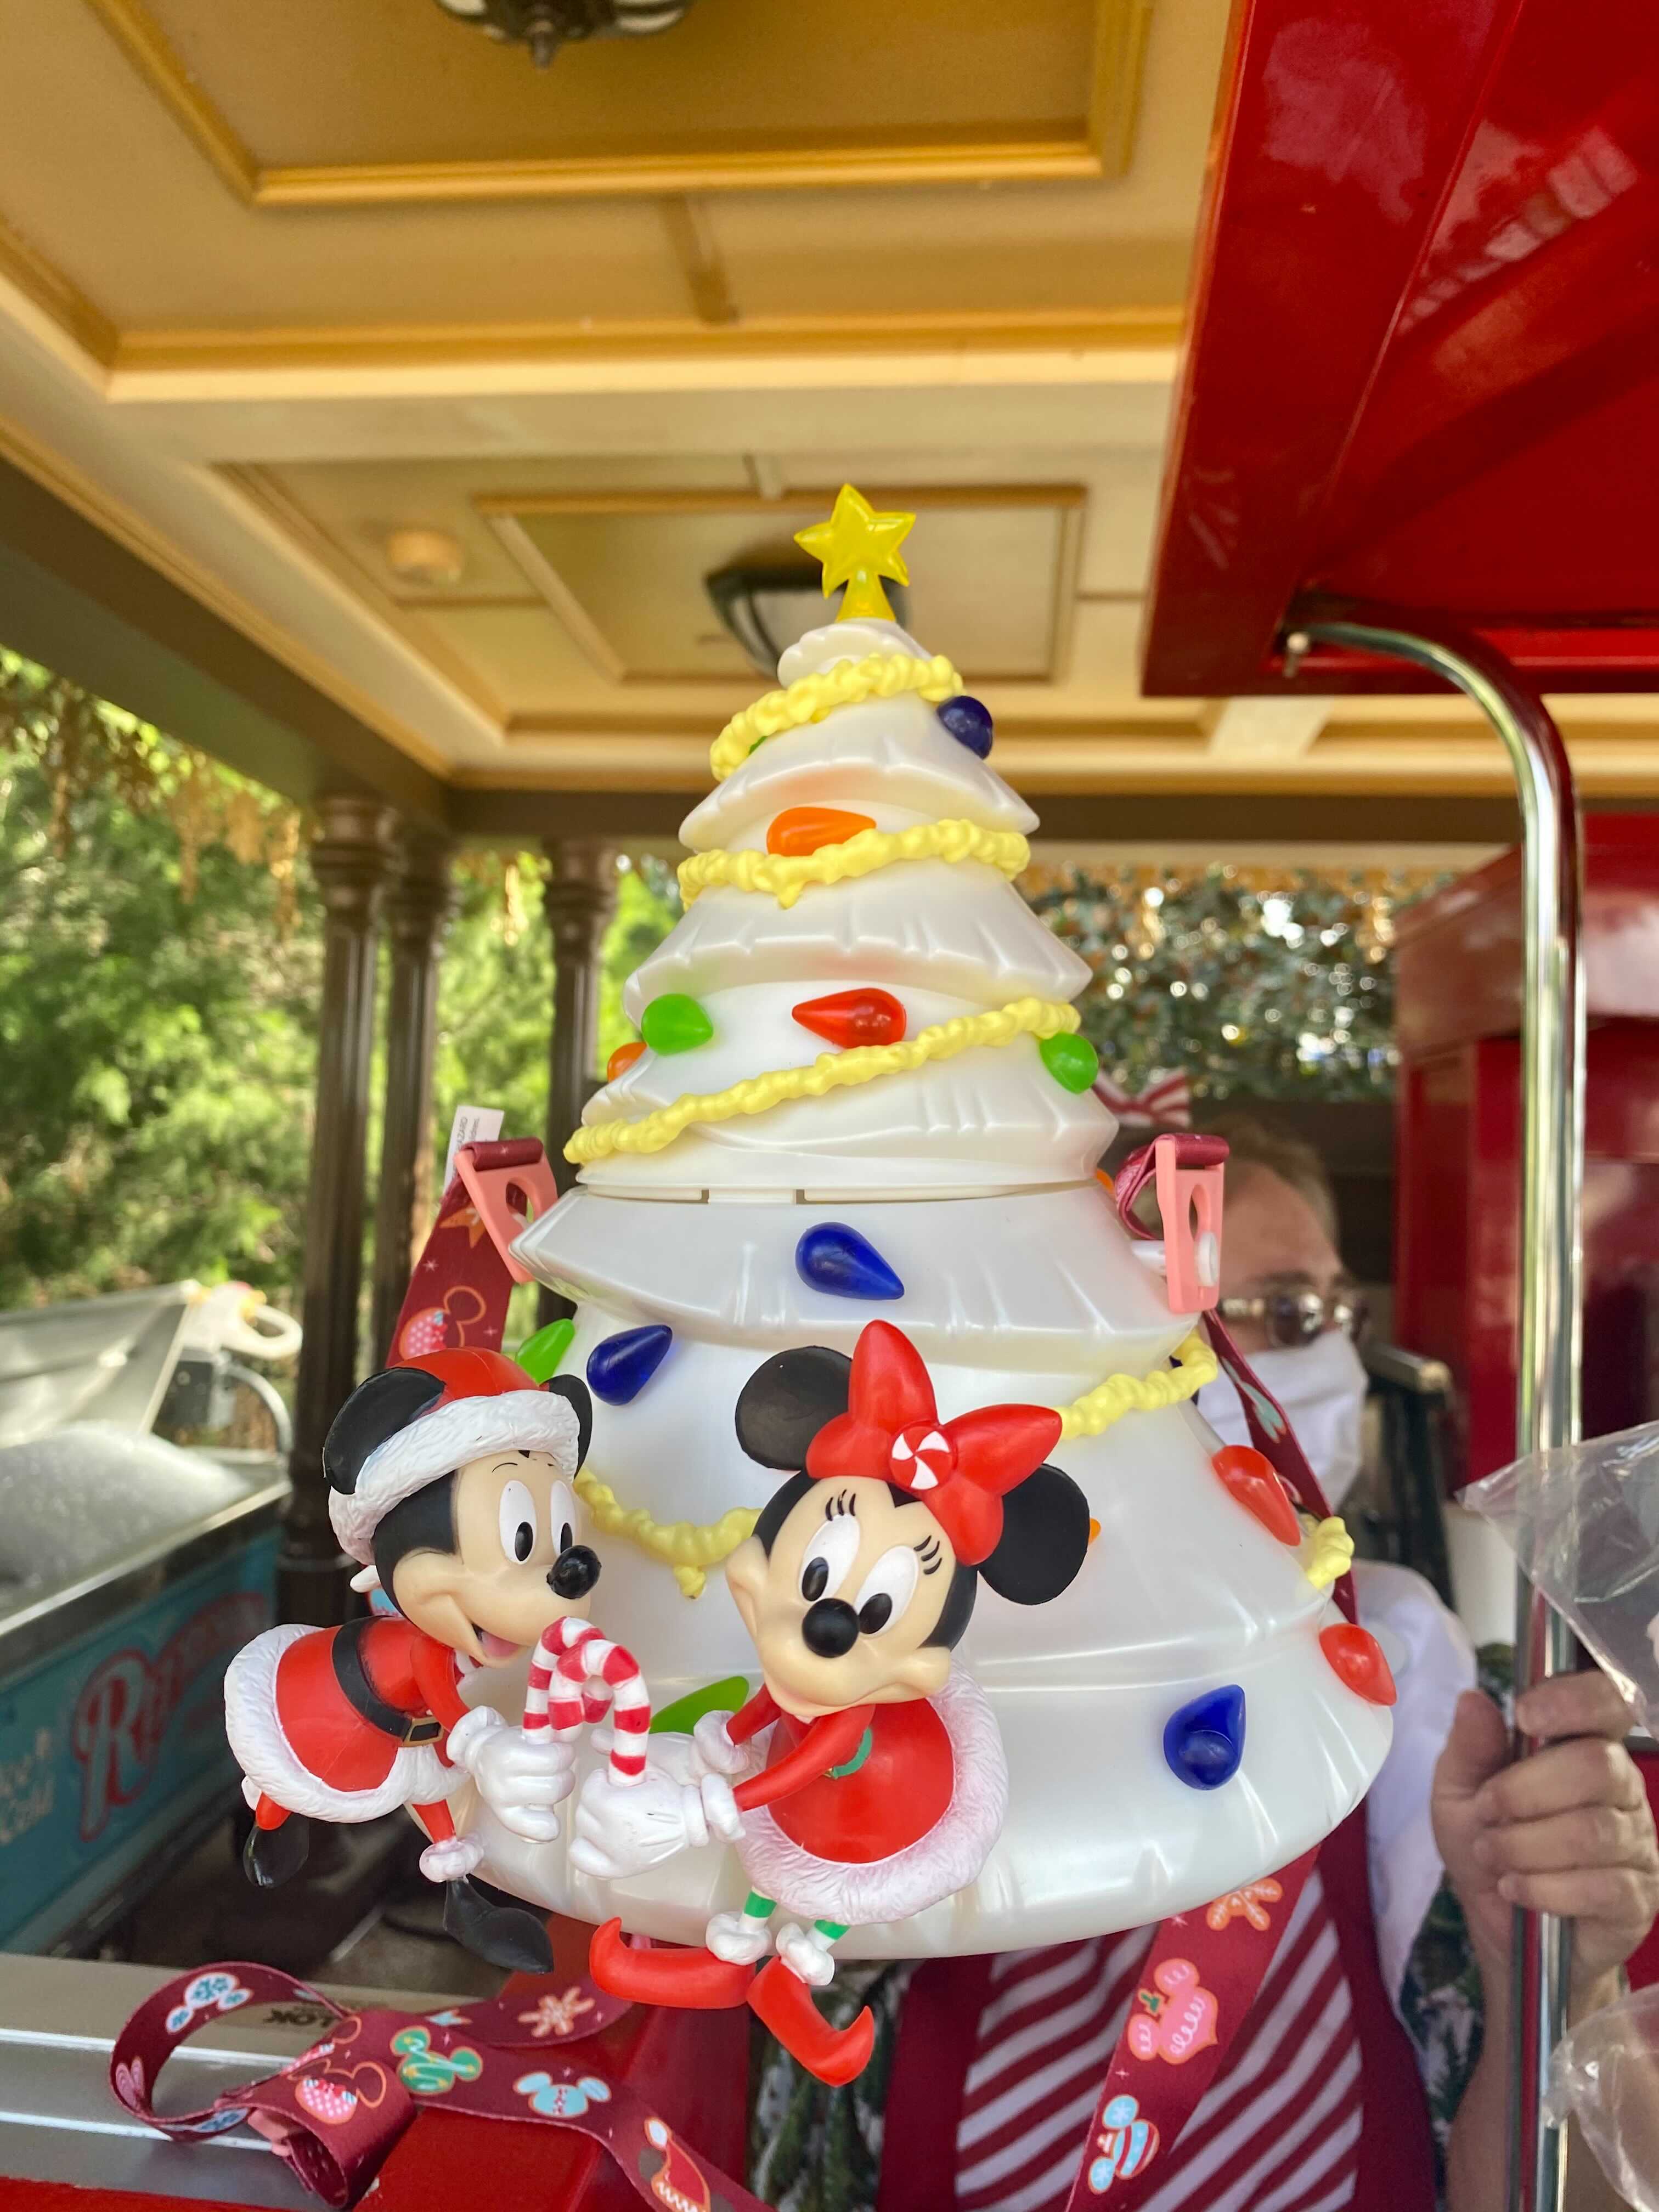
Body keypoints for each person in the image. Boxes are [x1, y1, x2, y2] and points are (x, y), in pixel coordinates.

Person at [746, 1116, 1659, 2212]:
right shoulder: (877, 1664)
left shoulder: (1413, 1676)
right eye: (1274, 1313)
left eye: (1330, 1315)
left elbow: (1547, 2188)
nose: (1322, 1361)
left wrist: (1553, 1985)